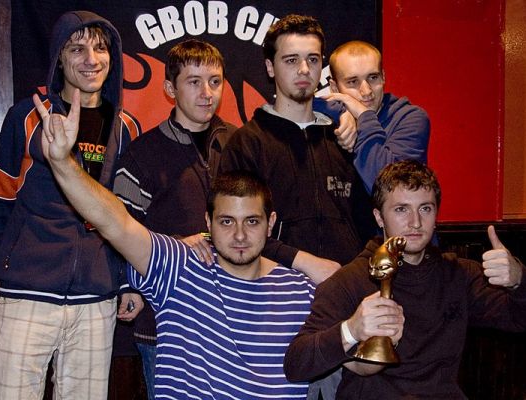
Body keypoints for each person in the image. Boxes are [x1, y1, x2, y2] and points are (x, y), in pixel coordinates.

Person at [33, 90, 317, 397]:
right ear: (208, 223)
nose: (239, 235)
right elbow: (115, 221)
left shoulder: (300, 290)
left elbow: (348, 357)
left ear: (270, 223)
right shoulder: (179, 269)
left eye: (251, 221)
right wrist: (63, 163)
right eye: (226, 221)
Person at [113, 38, 341, 399]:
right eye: (194, 82)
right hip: (168, 323)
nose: (207, 93)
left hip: (242, 319)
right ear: (170, 89)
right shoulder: (143, 154)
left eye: (215, 81)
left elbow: (264, 220)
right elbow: (119, 232)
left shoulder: (242, 143)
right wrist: (140, 278)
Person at [0, 11, 141, 399]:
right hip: (28, 290)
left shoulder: (126, 127)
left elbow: (128, 216)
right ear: (59, 58)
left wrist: (128, 281)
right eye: (76, 49)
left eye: (100, 48)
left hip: (96, 297)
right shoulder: (28, 117)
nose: (91, 59)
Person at [284, 160, 526, 399]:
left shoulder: (458, 274)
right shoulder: (349, 282)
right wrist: (351, 330)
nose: (415, 222)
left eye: (425, 208)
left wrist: (520, 280)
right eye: (401, 209)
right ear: (379, 217)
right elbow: (296, 364)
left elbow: (521, 319)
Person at [220, 14, 376, 269]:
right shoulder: (247, 143)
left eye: (312, 59)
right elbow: (235, 232)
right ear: (270, 67)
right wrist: (303, 262)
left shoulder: (344, 137)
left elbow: (371, 220)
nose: (304, 69)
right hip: (274, 284)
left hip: (344, 284)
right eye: (291, 60)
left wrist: (355, 275)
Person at [313, 40, 430, 193]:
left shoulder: (410, 119)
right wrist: (343, 112)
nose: (367, 91)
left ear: (383, 77)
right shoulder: (331, 116)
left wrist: (363, 116)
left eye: (373, 77)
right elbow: (295, 103)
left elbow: (392, 190)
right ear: (334, 88)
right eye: (353, 82)